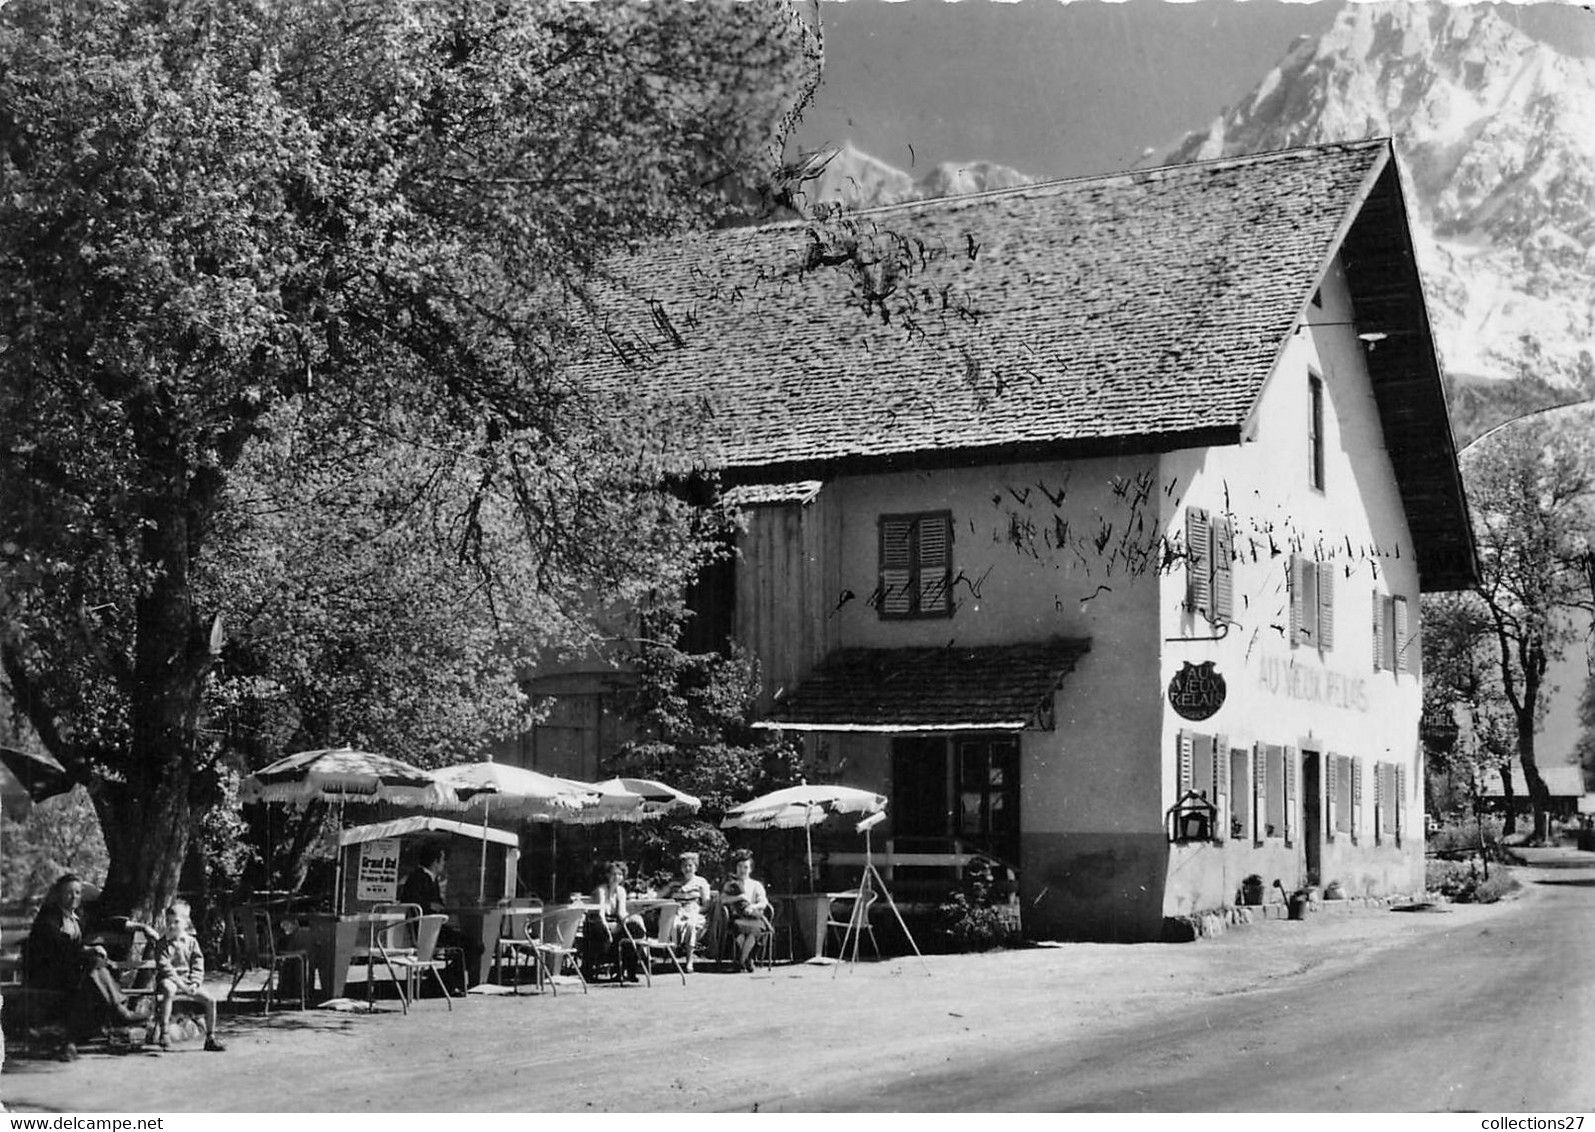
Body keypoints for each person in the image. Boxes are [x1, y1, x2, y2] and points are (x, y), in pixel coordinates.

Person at [22, 874, 147, 1054]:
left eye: (78, 893)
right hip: (47, 973)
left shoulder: (79, 916)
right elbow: (57, 945)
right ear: (59, 894)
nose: (74, 897)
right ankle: (119, 1012)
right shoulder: (48, 917)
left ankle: (71, 1040)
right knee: (92, 967)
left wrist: (140, 927)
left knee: (89, 975)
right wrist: (86, 949)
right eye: (69, 893)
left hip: (72, 974)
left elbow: (107, 922)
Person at [398, 843, 480, 992]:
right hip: (425, 930)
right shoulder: (418, 878)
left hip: (434, 927)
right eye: (442, 860)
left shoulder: (431, 878)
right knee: (473, 945)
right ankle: (444, 980)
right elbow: (411, 901)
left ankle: (444, 979)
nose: (444, 864)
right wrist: (430, 905)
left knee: (472, 944)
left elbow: (439, 904)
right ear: (435, 862)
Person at [150, 903, 224, 1052]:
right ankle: (164, 1033)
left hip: (188, 980)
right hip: (170, 979)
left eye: (176, 922)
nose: (172, 926)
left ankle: (210, 1037)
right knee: (168, 990)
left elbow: (198, 963)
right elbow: (166, 968)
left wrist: (195, 983)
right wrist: (181, 985)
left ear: (185, 923)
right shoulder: (162, 944)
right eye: (169, 922)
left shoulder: (191, 942)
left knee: (210, 1000)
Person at [589, 861, 645, 981]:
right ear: (608, 875)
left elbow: (621, 913)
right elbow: (600, 914)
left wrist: (632, 920)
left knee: (634, 930)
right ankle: (595, 968)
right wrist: (608, 930)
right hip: (598, 923)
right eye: (613, 874)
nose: (616, 877)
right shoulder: (601, 890)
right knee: (602, 932)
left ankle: (628, 971)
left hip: (615, 923)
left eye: (619, 874)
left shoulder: (621, 891)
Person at [723, 849, 771, 972]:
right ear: (736, 868)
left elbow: (763, 902)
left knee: (753, 930)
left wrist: (753, 907)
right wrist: (739, 897)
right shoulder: (731, 884)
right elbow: (722, 900)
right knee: (739, 929)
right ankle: (748, 960)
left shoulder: (756, 885)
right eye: (739, 866)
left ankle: (741, 962)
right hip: (737, 917)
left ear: (750, 869)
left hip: (754, 916)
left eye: (745, 867)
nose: (742, 870)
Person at [666, 851, 713, 973]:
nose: (687, 868)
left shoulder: (701, 882)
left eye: (690, 865)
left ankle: (689, 961)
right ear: (681, 868)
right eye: (684, 866)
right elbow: (660, 894)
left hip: (696, 913)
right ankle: (674, 958)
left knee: (691, 925)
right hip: (678, 912)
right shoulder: (675, 882)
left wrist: (694, 912)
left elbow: (706, 905)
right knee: (673, 924)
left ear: (695, 867)